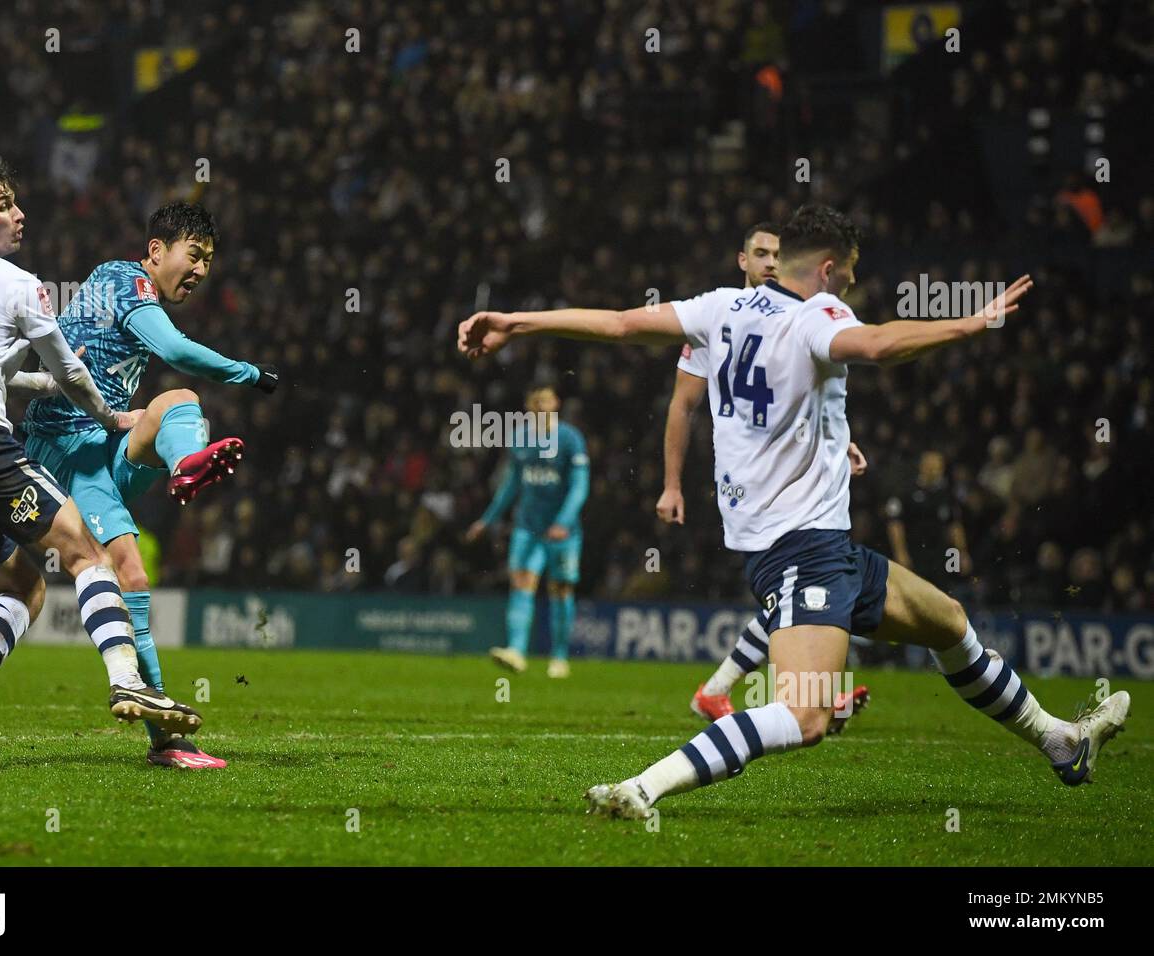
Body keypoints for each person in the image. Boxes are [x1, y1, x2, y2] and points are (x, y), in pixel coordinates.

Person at [458, 203, 1129, 816]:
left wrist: (519, 321)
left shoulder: (724, 308)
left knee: (949, 623)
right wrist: (971, 323)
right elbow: (877, 347)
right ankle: (643, 788)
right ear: (830, 269)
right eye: (852, 274)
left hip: (819, 544)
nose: (853, 288)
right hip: (800, 548)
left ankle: (1058, 742)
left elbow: (623, 324)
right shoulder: (820, 315)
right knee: (805, 717)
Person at [0, 157, 199, 763]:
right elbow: (68, 371)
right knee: (85, 551)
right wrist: (112, 417)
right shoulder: (17, 283)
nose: (18, 214)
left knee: (24, 584)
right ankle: (127, 680)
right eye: (3, 205)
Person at [21, 201, 279, 768]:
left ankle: (187, 462)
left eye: (210, 259)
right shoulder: (127, 281)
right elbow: (177, 350)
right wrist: (251, 374)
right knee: (130, 572)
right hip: (66, 451)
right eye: (195, 255)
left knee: (175, 404)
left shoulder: (121, 285)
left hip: (103, 439)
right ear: (157, 251)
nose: (203, 269)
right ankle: (167, 740)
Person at [656, 221, 868, 728]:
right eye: (761, 253)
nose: (771, 261)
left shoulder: (802, 315)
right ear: (742, 261)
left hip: (793, 481)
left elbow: (803, 400)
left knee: (804, 579)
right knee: (801, 578)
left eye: (778, 253)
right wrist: (671, 483)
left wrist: (840, 442)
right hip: (747, 484)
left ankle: (733, 689)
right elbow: (683, 405)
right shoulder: (719, 317)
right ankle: (808, 693)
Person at [466, 385, 589, 678]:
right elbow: (511, 485)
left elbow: (579, 486)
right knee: (521, 583)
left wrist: (564, 521)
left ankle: (559, 657)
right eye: (535, 402)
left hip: (563, 532)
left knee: (560, 589)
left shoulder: (570, 438)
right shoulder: (520, 437)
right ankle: (517, 651)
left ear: (556, 402)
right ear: (528, 406)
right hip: (527, 527)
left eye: (545, 401)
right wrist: (487, 519)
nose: (541, 407)